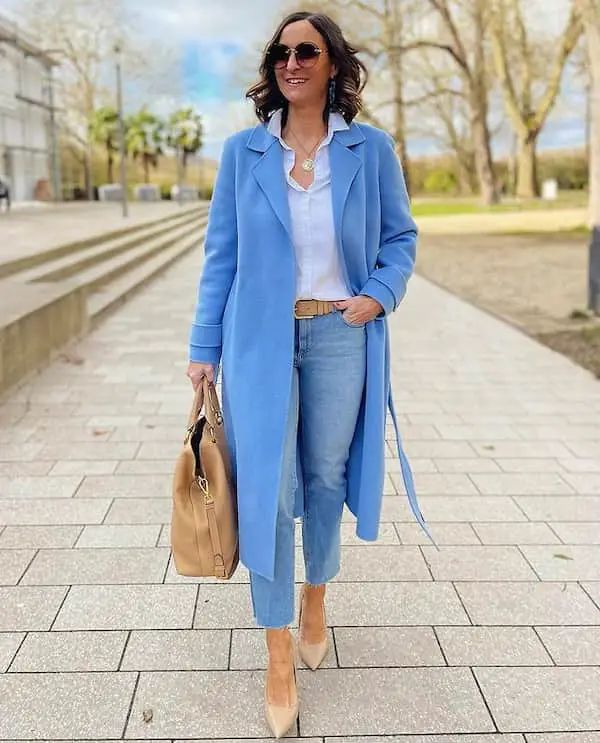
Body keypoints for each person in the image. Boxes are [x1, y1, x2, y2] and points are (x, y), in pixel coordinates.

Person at [186, 10, 432, 739]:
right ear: (272, 69)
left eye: (307, 51)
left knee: (324, 479)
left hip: (340, 334)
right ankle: (276, 654)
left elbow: (400, 237)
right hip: (259, 340)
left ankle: (316, 594)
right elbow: (219, 258)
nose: (292, 62)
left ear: (332, 66)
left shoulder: (369, 149)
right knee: (271, 489)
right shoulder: (242, 154)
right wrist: (204, 348)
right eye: (281, 52)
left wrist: (378, 295)